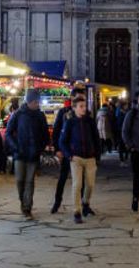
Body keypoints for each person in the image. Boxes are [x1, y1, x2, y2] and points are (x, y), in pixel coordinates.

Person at [5, 89, 49, 218]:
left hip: (33, 154)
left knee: (30, 181)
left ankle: (27, 207)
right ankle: (23, 202)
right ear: (29, 102)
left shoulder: (40, 115)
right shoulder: (18, 114)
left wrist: (40, 148)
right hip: (19, 153)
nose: (38, 104)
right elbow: (8, 133)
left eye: (38, 102)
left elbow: (45, 134)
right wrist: (15, 147)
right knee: (20, 180)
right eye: (36, 102)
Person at [59, 96, 102, 224]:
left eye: (85, 106)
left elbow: (96, 139)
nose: (84, 109)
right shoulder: (70, 122)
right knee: (77, 184)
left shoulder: (90, 121)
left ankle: (86, 203)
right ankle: (77, 211)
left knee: (90, 184)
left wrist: (97, 156)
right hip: (76, 157)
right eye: (81, 106)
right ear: (75, 108)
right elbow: (62, 141)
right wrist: (69, 155)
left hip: (90, 158)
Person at [51, 84, 87, 213]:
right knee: (62, 177)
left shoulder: (85, 113)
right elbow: (56, 131)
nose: (81, 101)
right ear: (72, 99)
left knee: (81, 180)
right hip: (67, 151)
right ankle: (57, 202)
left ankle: (83, 205)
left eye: (83, 98)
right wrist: (57, 149)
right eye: (78, 98)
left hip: (81, 152)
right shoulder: (63, 112)